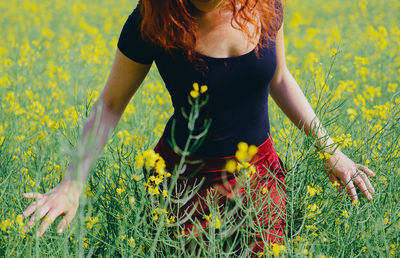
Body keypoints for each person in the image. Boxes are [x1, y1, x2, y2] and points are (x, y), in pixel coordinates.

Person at [20, 0, 376, 255]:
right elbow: (111, 104)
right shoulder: (152, 17)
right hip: (182, 185)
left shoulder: (266, 6)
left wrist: (331, 151)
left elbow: (280, 80)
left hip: (260, 180)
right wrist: (72, 183)